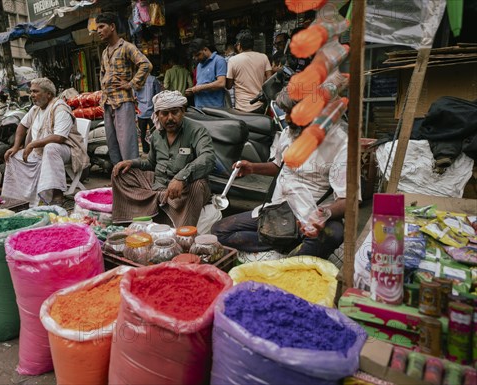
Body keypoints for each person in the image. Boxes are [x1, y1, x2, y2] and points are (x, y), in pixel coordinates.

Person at [211, 90, 350, 262]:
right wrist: (253, 168)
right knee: (219, 231)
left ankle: (291, 259)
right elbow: (278, 165)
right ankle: (285, 245)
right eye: (286, 112)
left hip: (309, 214)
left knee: (334, 233)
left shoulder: (340, 145)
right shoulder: (289, 133)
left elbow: (347, 200)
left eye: (293, 113)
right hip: (277, 210)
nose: (288, 119)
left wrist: (324, 213)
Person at [111, 90, 215, 228]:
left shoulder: (196, 131)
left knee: (198, 185)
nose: (170, 118)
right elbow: (151, 163)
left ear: (183, 111)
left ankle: (183, 233)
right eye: (164, 114)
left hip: (184, 189)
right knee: (121, 174)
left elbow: (208, 157)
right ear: (158, 115)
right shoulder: (156, 135)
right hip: (159, 185)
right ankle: (146, 209)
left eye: (174, 112)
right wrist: (132, 162)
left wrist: (181, 178)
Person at [2, 78, 89, 207]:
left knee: (51, 148)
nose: (31, 95)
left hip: (67, 150)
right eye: (31, 91)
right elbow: (22, 125)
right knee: (13, 156)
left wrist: (32, 144)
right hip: (40, 151)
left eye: (35, 91)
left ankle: (57, 194)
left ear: (48, 94)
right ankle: (21, 198)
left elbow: (59, 138)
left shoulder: (60, 108)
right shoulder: (35, 109)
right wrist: (15, 146)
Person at [96, 12, 152, 165]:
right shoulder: (105, 52)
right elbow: (103, 74)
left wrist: (131, 84)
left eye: (102, 27)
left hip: (123, 102)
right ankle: (120, 180)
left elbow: (146, 64)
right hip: (108, 103)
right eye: (97, 29)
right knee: (113, 145)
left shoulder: (127, 47)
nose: (99, 31)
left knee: (127, 144)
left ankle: (132, 180)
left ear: (112, 27)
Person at [226, 30, 272, 113]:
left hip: (242, 107)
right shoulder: (263, 57)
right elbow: (270, 80)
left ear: (239, 45)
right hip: (261, 105)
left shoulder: (233, 60)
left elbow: (228, 85)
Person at [185, 38, 227, 108]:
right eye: (194, 56)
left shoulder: (219, 60)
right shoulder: (199, 65)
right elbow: (200, 84)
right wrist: (193, 90)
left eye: (198, 55)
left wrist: (199, 88)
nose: (196, 58)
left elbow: (221, 83)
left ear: (205, 49)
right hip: (200, 108)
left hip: (215, 108)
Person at [135, 70, 161, 154]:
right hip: (152, 111)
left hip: (141, 111)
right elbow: (158, 95)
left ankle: (145, 150)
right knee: (154, 132)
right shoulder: (153, 79)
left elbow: (134, 96)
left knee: (142, 132)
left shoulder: (136, 81)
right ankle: (154, 150)